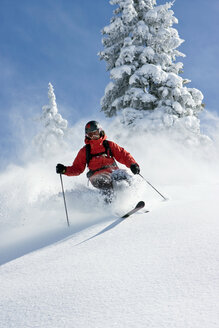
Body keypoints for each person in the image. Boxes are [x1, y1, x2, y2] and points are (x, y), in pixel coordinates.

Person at [56, 120, 140, 197]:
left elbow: (123, 155)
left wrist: (132, 164)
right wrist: (64, 170)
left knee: (126, 177)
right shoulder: (85, 151)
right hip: (97, 175)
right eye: (90, 135)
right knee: (105, 182)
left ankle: (132, 199)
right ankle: (111, 204)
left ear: (100, 132)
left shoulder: (109, 145)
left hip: (113, 172)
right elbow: (77, 168)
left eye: (95, 133)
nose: (93, 136)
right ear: (87, 136)